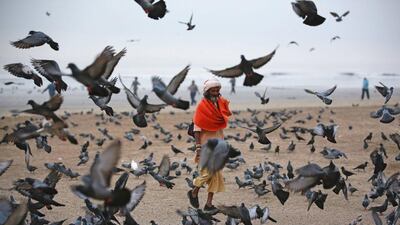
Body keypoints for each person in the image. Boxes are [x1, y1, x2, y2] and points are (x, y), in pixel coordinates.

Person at [187, 78, 232, 212]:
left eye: (217, 89)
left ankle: (209, 204)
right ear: (207, 91)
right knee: (208, 173)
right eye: (213, 90)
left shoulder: (220, 105)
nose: (216, 92)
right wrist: (198, 147)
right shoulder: (201, 106)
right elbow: (196, 128)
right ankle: (194, 192)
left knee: (215, 176)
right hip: (206, 146)